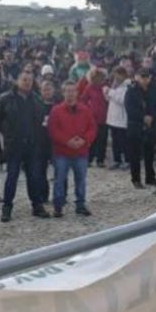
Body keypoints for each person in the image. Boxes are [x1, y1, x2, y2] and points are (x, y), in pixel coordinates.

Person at [0, 71, 47, 222]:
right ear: (17, 81)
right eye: (24, 79)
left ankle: (37, 206)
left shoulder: (36, 99)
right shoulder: (5, 98)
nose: (27, 82)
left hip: (32, 145)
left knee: (34, 177)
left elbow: (41, 119)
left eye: (29, 80)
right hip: (14, 145)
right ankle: (7, 208)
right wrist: (7, 134)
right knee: (12, 177)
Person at [48, 81, 97, 217]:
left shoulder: (85, 110)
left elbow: (92, 128)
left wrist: (84, 140)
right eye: (67, 91)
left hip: (81, 152)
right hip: (62, 152)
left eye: (73, 91)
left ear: (77, 93)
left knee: (81, 180)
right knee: (59, 180)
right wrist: (67, 141)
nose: (70, 94)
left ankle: (80, 205)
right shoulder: (56, 110)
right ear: (63, 93)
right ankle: (58, 206)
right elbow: (53, 130)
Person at [125, 69, 156, 188]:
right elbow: (129, 109)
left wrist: (152, 117)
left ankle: (150, 177)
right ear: (137, 77)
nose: (144, 80)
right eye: (142, 77)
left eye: (146, 77)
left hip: (150, 125)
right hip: (135, 125)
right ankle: (136, 179)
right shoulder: (131, 91)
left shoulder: (153, 90)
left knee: (149, 153)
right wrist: (143, 117)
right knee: (135, 155)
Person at [79, 68, 109, 168]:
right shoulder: (89, 87)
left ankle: (100, 160)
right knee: (92, 140)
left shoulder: (105, 87)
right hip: (92, 118)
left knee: (102, 139)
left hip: (104, 117)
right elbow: (83, 100)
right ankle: (89, 159)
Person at [105, 67, 130, 170]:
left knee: (124, 142)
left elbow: (123, 100)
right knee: (115, 142)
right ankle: (117, 160)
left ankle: (127, 160)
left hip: (121, 119)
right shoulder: (115, 85)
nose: (116, 77)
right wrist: (107, 93)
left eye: (118, 75)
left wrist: (110, 92)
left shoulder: (127, 86)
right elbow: (110, 99)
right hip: (113, 118)